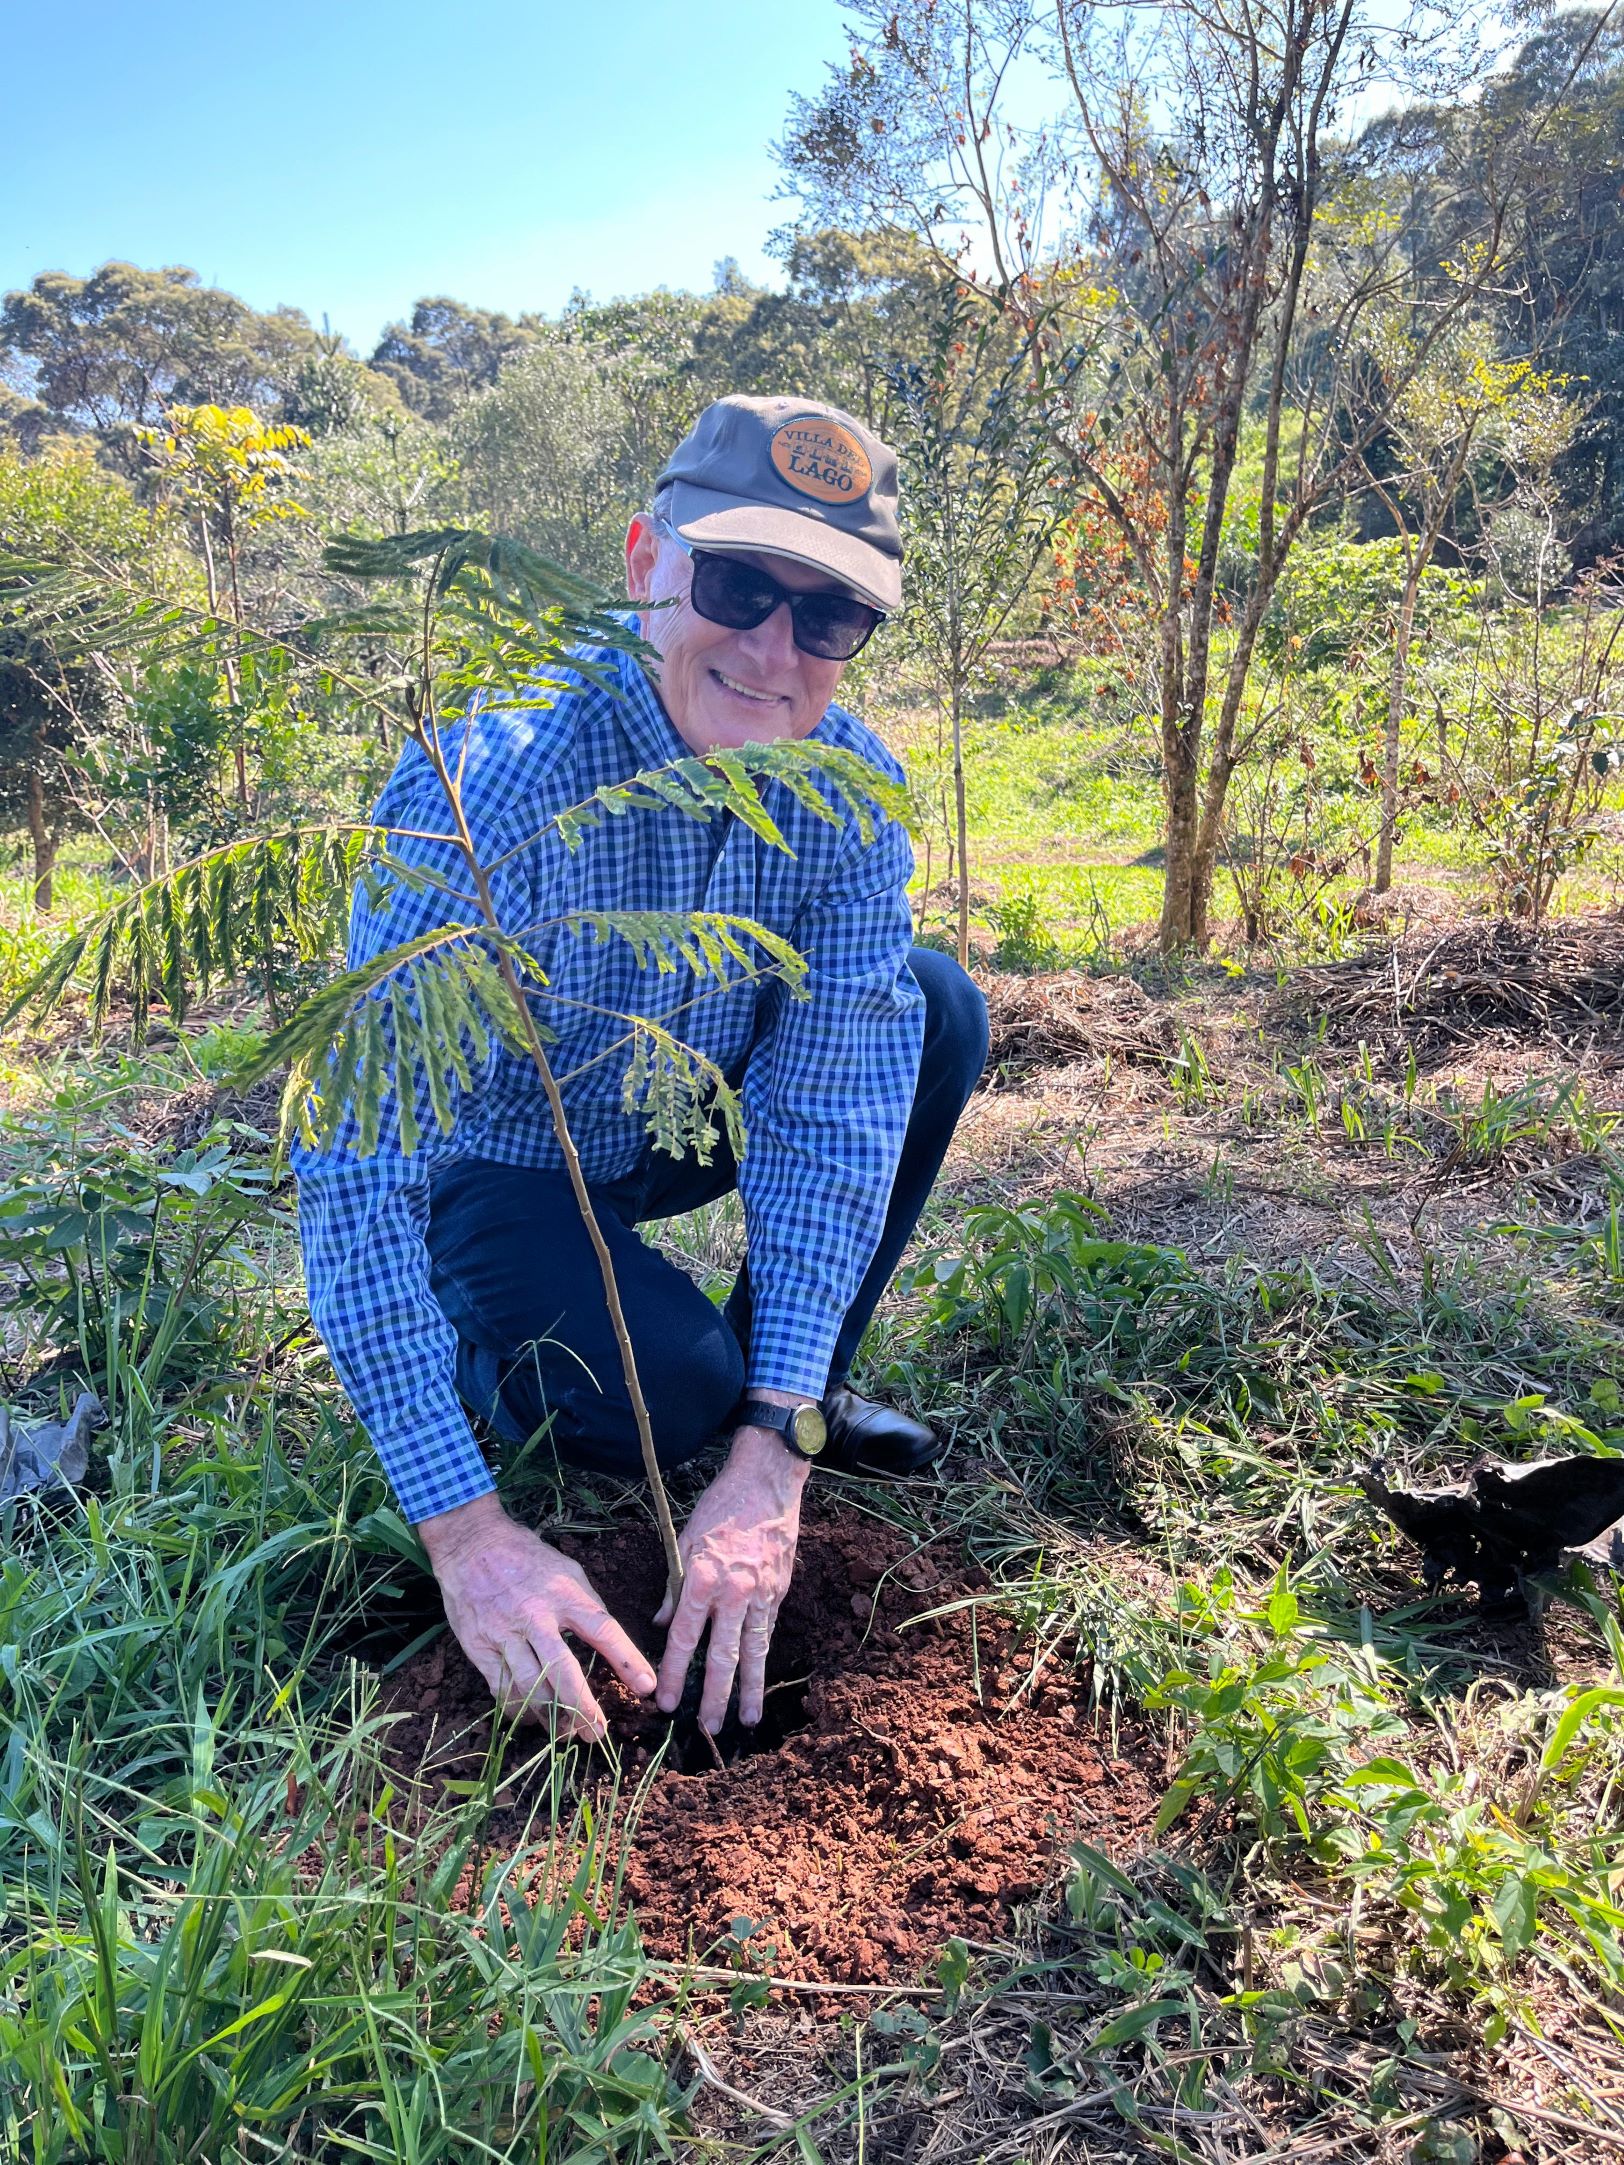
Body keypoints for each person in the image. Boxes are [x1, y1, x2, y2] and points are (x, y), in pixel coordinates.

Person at [294, 394, 988, 1742]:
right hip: (499, 1162)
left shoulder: (849, 791)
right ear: (642, 564)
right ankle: (502, 1366)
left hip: (678, 1115)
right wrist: (466, 1528)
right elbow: (356, 1156)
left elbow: (835, 1109)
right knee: (667, 1389)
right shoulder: (493, 780)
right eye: (735, 584)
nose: (774, 646)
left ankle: (794, 1399)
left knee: (936, 1010)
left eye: (829, 616)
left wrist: (771, 1445)